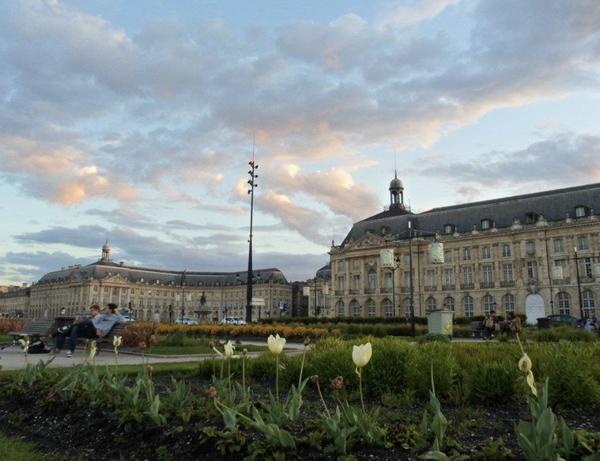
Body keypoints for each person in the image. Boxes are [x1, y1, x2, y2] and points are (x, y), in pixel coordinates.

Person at [54, 303, 124, 357]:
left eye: (106, 308)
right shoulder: (103, 315)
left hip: (99, 333)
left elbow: (123, 321)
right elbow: (94, 320)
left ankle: (65, 328)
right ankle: (69, 351)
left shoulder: (115, 317)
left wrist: (116, 311)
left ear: (111, 309)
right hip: (92, 330)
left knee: (88, 322)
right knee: (75, 329)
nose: (105, 309)